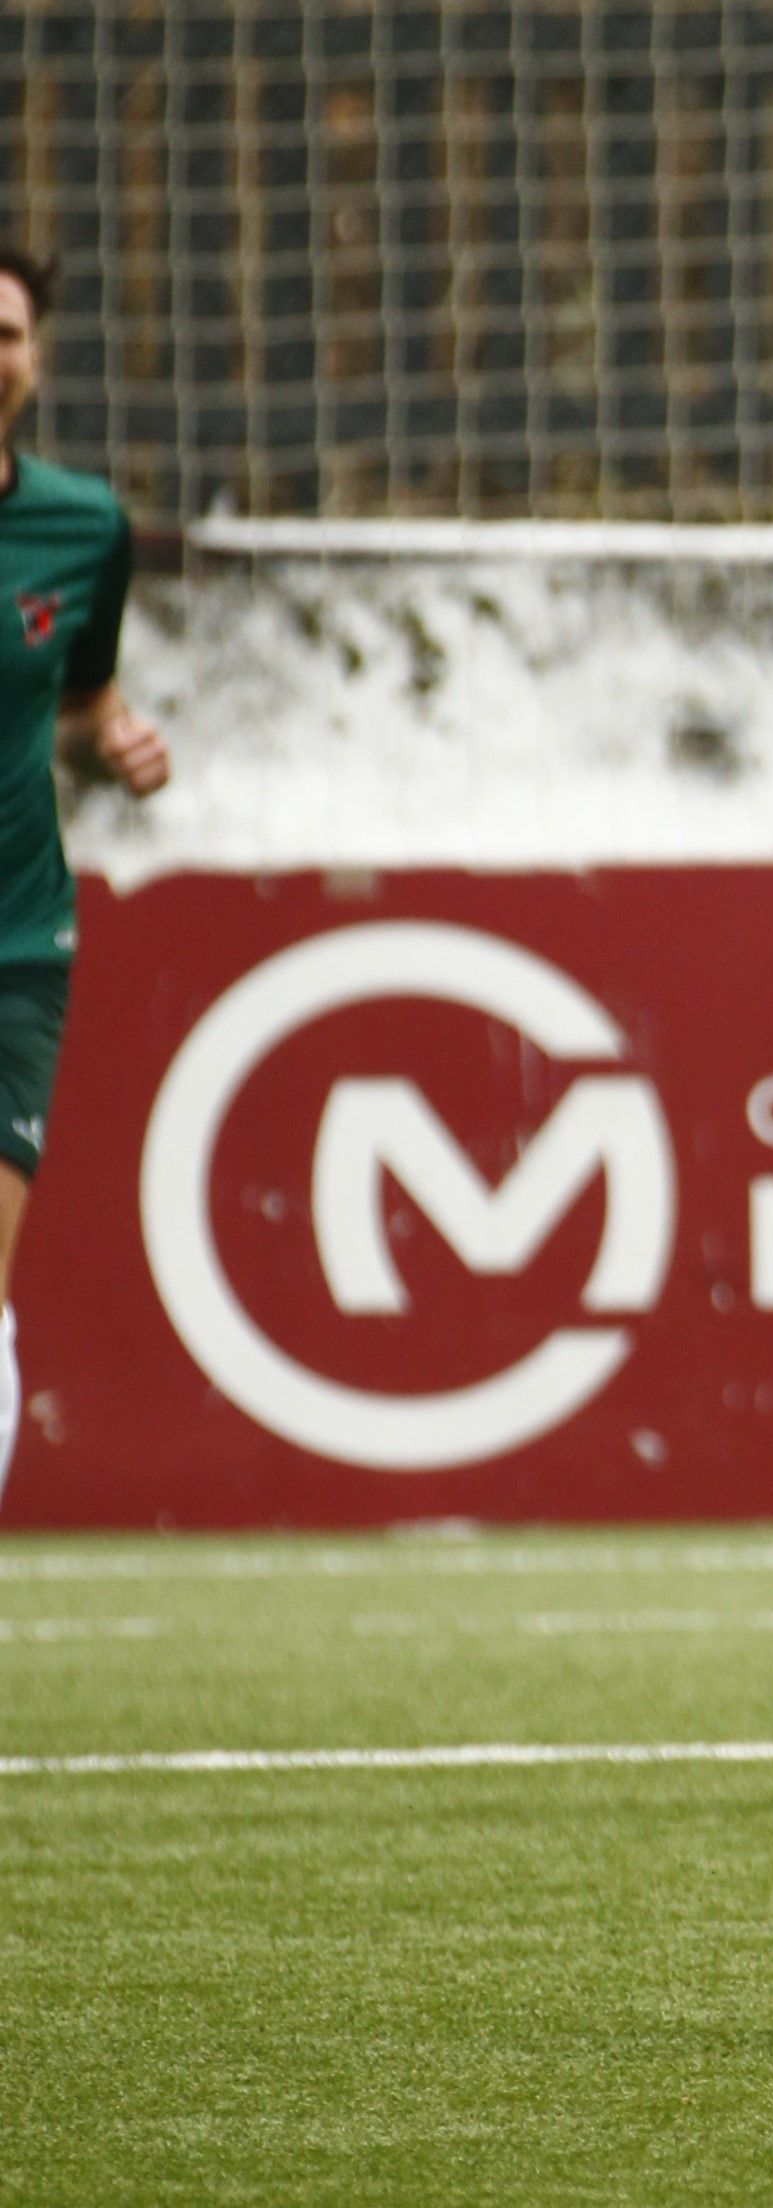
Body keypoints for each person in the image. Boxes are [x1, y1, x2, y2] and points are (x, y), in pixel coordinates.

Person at [0, 243, 169, 1508]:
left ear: (34, 358)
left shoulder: (82, 528)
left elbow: (81, 701)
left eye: (7, 331)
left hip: (17, 943)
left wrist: (111, 745)